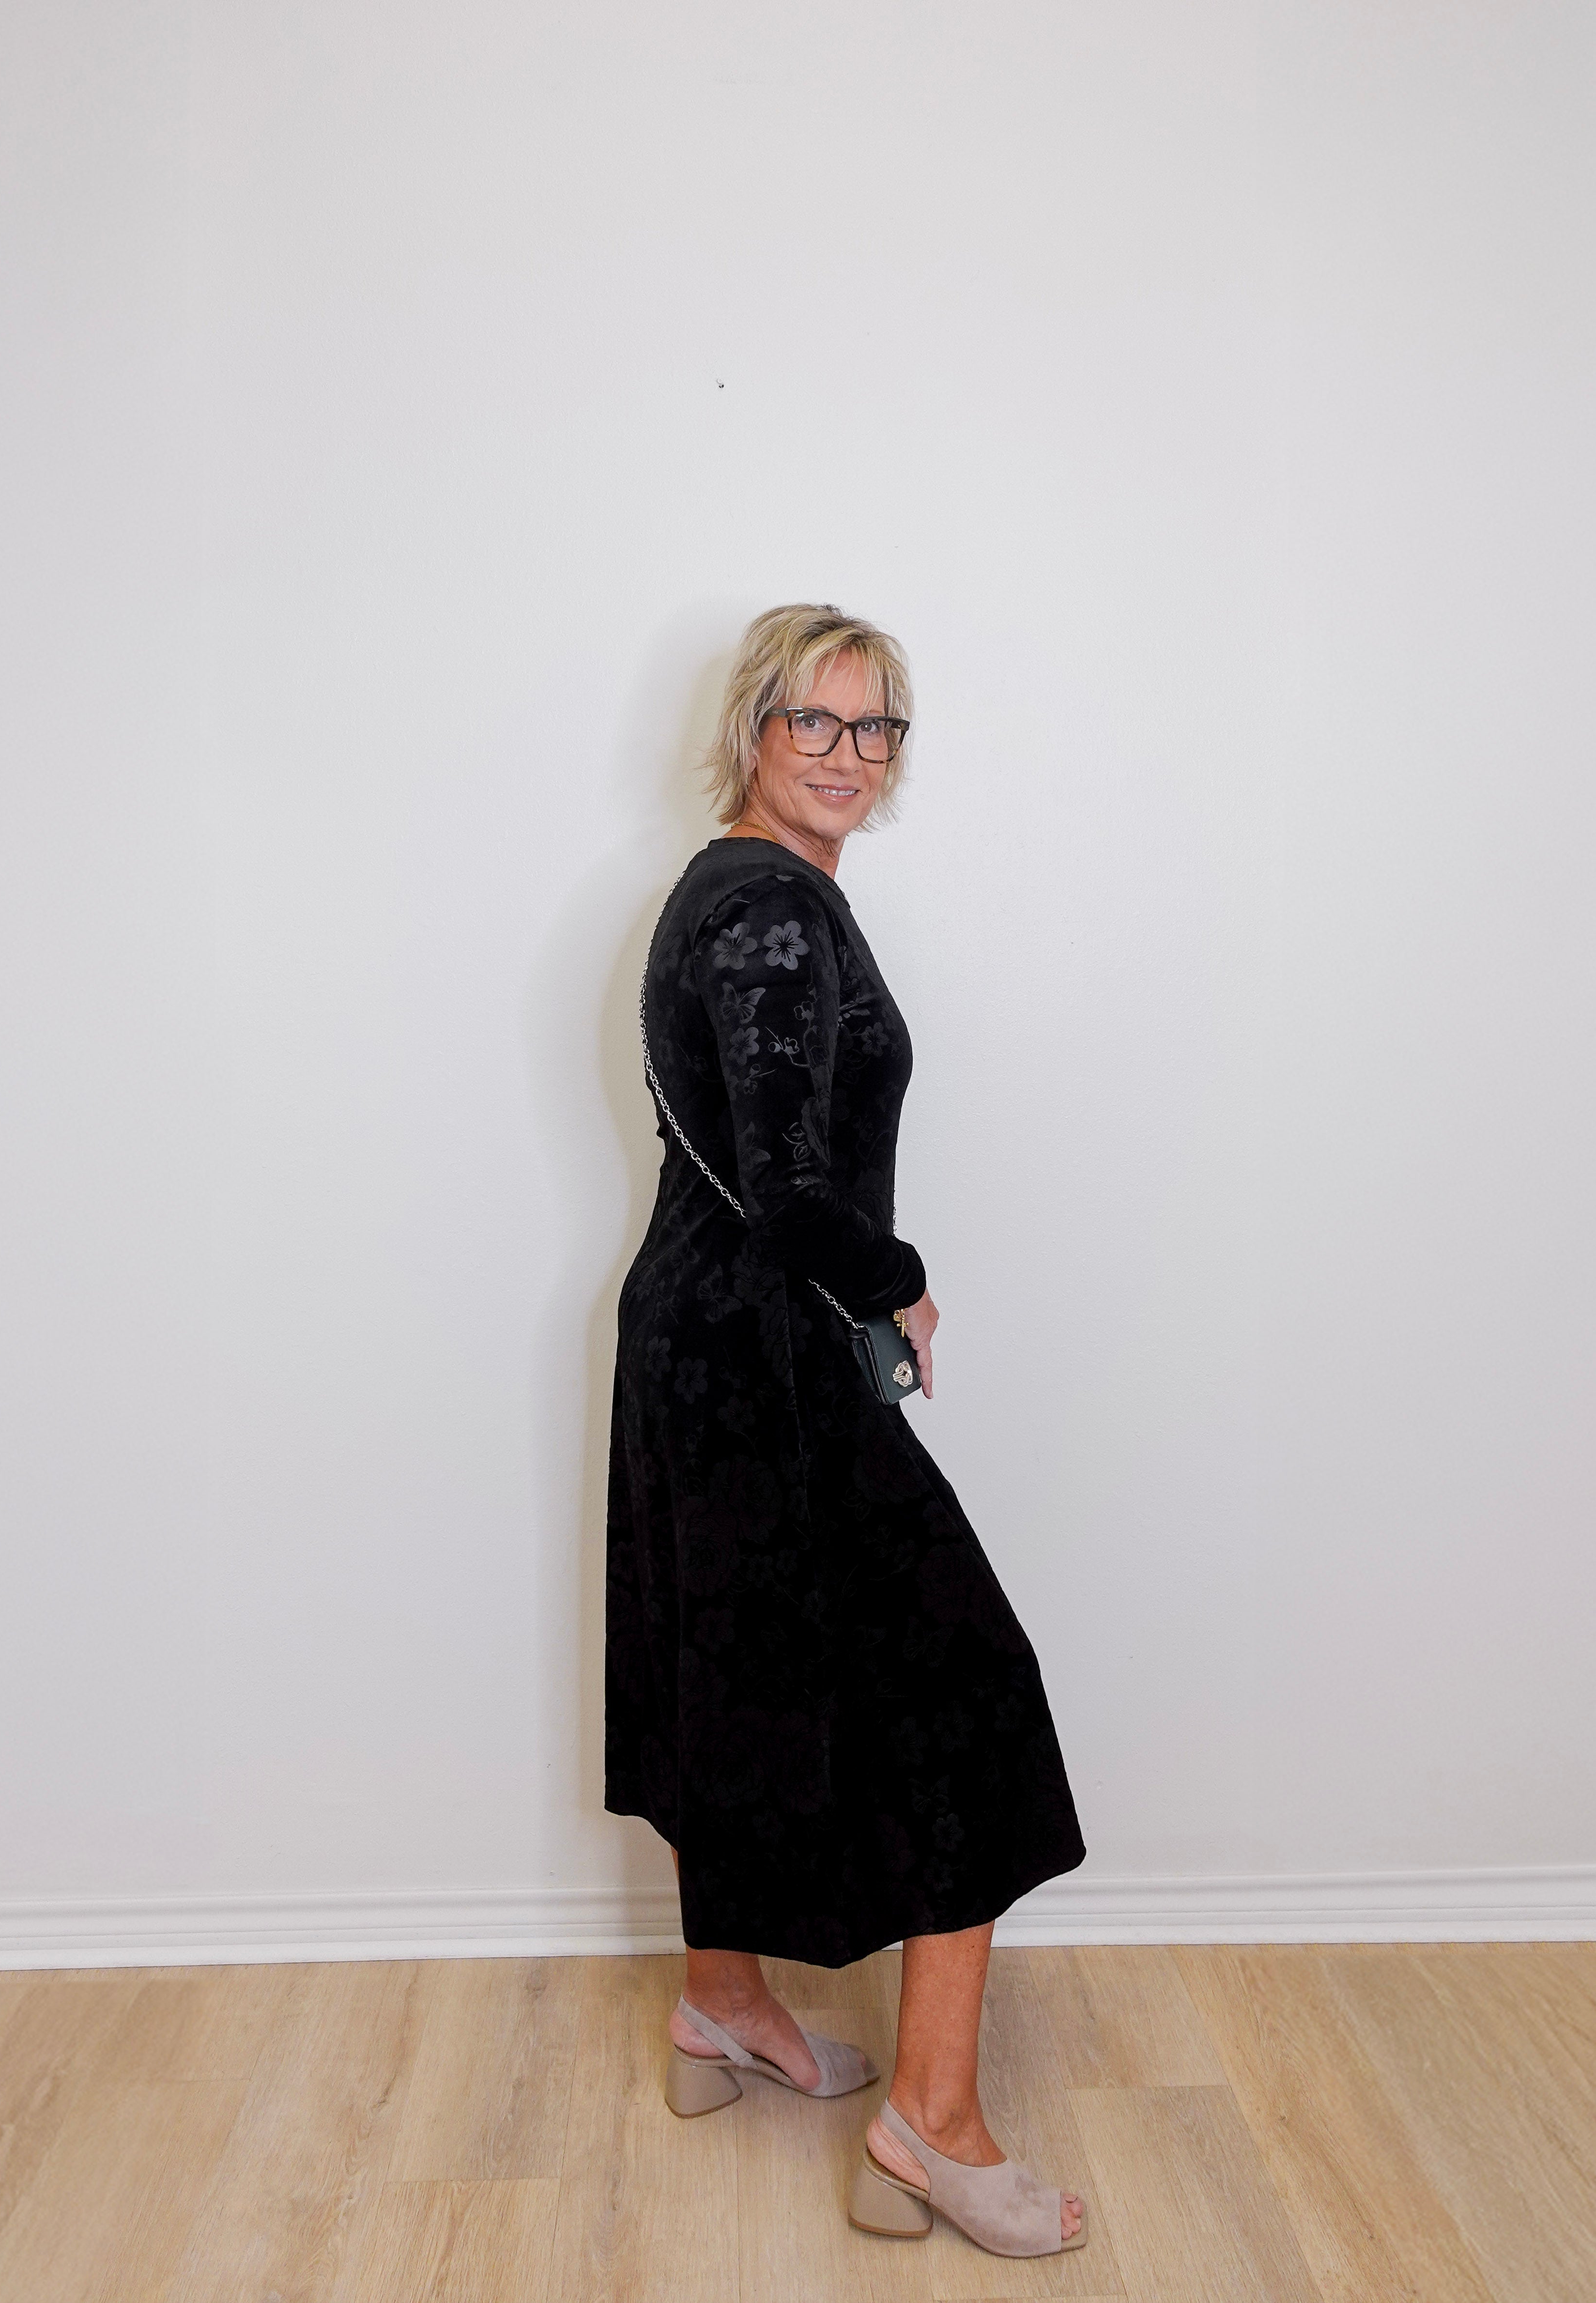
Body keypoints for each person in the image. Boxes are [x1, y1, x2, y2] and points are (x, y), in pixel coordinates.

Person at [604, 603, 1088, 2257]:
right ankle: (934, 2129)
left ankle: (722, 2007)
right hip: (764, 1355)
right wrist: (904, 1281)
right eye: (819, 723)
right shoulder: (772, 914)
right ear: (753, 726)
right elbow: (799, 1188)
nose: (851, 758)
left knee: (734, 1667)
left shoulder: (722, 888)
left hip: (697, 1339)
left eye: (880, 731)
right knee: (969, 1701)